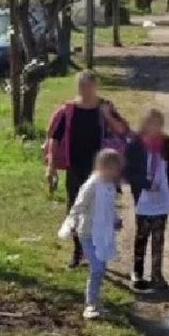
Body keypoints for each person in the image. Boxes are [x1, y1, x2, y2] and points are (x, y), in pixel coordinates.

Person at [45, 70, 129, 268]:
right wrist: (51, 167)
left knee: (102, 209)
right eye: (82, 86)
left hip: (102, 168)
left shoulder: (105, 106)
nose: (85, 90)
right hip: (75, 165)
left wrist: (108, 116)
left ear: (95, 86)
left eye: (89, 85)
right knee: (76, 207)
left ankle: (98, 251)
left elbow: (122, 130)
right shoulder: (68, 110)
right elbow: (54, 139)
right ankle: (78, 251)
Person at [123, 109, 169, 290]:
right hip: (143, 196)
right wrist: (143, 183)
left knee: (159, 236)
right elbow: (127, 171)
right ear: (144, 124)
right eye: (151, 123)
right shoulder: (135, 143)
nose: (155, 127)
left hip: (162, 194)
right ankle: (137, 272)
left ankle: (157, 274)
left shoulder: (166, 142)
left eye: (158, 123)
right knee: (142, 234)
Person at [59, 149, 124, 320]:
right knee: (97, 268)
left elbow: (109, 207)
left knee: (100, 269)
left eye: (117, 169)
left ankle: (96, 300)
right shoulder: (91, 185)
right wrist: (71, 223)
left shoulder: (109, 185)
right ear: (102, 167)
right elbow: (78, 206)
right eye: (112, 169)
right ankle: (90, 305)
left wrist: (116, 219)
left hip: (102, 234)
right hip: (87, 233)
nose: (115, 173)